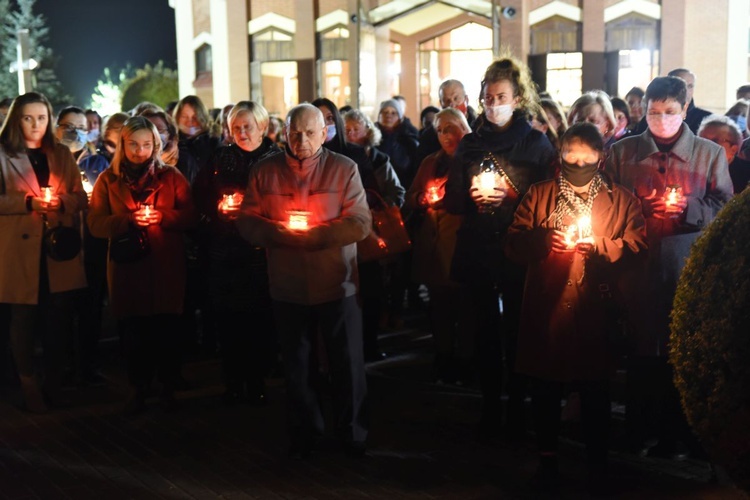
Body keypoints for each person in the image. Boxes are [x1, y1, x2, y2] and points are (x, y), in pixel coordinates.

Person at [506, 122, 647, 494]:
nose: (579, 162)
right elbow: (513, 242)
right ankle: (548, 459)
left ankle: (597, 463)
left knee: (595, 390)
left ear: (601, 157)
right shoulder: (540, 195)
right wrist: (541, 239)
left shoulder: (622, 199)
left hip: (594, 308)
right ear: (560, 155)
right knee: (547, 389)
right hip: (548, 303)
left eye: (587, 156)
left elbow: (637, 243)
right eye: (572, 155)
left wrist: (601, 245)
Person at [606, 75, 733, 460]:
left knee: (681, 350)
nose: (661, 119)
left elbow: (725, 206)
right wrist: (637, 210)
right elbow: (607, 202)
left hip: (685, 265)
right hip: (637, 266)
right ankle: (637, 429)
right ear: (643, 111)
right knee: (641, 353)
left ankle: (677, 433)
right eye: (653, 112)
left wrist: (691, 209)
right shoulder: (623, 153)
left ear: (685, 111)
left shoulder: (708, 154)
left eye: (670, 112)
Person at [235, 103, 371, 458]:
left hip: (337, 284)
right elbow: (247, 220)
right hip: (288, 285)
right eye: (295, 133)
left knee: (347, 365)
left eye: (310, 132)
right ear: (284, 133)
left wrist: (319, 235)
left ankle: (352, 434)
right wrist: (278, 232)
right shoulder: (265, 172)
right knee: (297, 366)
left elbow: (360, 222)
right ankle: (306, 433)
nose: (302, 140)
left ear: (324, 133)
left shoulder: (344, 169)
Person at [444, 56, 557, 442]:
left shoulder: (536, 143)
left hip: (518, 251)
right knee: (484, 333)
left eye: (501, 96)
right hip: (478, 248)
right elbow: (452, 200)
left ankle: (518, 409)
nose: (493, 104)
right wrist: (471, 196)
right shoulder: (470, 144)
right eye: (488, 97)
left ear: (518, 97)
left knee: (519, 332)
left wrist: (512, 196)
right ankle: (490, 405)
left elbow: (549, 201)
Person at [87, 116, 197, 415]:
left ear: (155, 145)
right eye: (133, 145)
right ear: (123, 145)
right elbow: (95, 224)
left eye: (146, 145)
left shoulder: (171, 177)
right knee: (133, 331)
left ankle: (168, 386)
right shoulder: (108, 181)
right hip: (128, 267)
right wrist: (126, 221)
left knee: (166, 329)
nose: (140, 151)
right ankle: (138, 387)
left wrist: (164, 218)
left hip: (164, 264)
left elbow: (190, 215)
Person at [0, 92, 88, 413]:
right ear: (16, 120)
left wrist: (62, 202)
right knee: (22, 317)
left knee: (58, 317)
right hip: (19, 249)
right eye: (28, 118)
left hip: (56, 246)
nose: (36, 124)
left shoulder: (61, 154)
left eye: (41, 117)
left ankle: (54, 383)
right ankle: (27, 383)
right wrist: (27, 202)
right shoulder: (3, 154)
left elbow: (81, 198)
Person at [192, 101, 280, 404]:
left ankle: (257, 379)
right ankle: (232, 380)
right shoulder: (220, 158)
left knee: (259, 318)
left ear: (262, 127)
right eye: (236, 128)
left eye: (248, 126)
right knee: (228, 319)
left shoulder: (277, 159)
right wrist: (217, 209)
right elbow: (200, 195)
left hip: (262, 252)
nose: (242, 132)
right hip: (226, 250)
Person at [404, 108, 471, 384]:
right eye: (440, 130)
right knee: (440, 305)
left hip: (462, 243)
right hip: (433, 242)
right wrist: (422, 199)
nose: (446, 135)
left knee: (466, 307)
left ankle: (467, 359)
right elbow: (410, 197)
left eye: (452, 127)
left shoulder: (472, 159)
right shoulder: (431, 162)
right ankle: (444, 355)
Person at [342, 108, 406, 360]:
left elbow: (396, 192)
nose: (350, 135)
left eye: (354, 130)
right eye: (345, 130)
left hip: (374, 233)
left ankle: (370, 343)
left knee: (372, 291)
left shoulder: (378, 160)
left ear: (367, 132)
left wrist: (377, 204)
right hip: (349, 234)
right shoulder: (338, 158)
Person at [415, 79, 478, 167]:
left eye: (456, 98)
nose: (452, 104)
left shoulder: (480, 128)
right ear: (441, 103)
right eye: (446, 100)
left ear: (466, 99)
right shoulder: (430, 136)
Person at [697, 115, 747, 194]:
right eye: (702, 140)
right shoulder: (689, 168)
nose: (707, 145)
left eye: (715, 141)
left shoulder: (746, 175)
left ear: (733, 149)